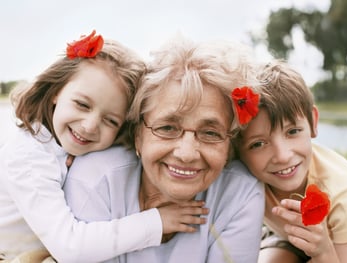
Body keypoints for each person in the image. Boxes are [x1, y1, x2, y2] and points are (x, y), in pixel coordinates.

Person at [0, 31, 207, 262]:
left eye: (110, 121)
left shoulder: (65, 146)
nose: (89, 126)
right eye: (82, 104)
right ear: (56, 91)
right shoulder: (28, 156)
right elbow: (69, 247)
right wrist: (156, 221)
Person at [63, 34, 265, 262]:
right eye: (168, 128)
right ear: (138, 134)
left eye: (210, 133)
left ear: (229, 143)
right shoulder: (96, 179)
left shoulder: (240, 194)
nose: (187, 154)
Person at [235, 61, 347, 263]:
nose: (283, 156)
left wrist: (322, 252)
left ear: (312, 122)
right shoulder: (240, 176)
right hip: (289, 233)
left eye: (292, 132)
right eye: (259, 143)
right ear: (236, 150)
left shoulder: (345, 190)